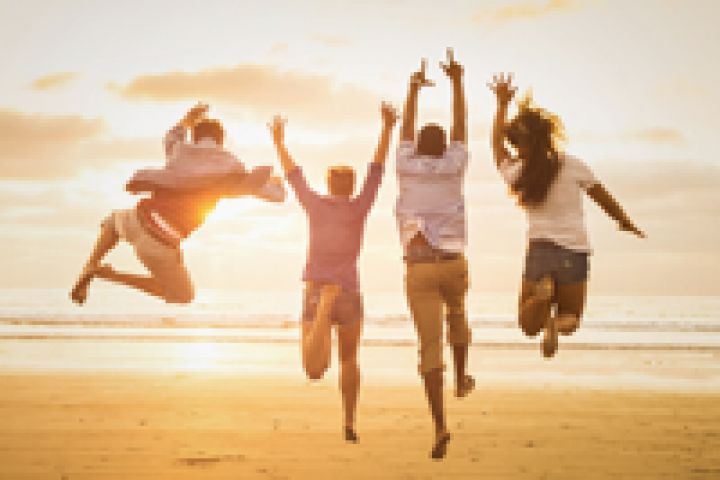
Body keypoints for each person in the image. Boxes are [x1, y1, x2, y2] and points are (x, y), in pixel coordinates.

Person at [488, 73, 645, 358]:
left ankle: (541, 299)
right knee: (571, 319)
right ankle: (555, 324)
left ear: (521, 144)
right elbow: (603, 198)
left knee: (527, 325)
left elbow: (496, 146)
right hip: (574, 251)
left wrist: (501, 105)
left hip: (540, 249)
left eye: (516, 144)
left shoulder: (517, 172)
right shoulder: (573, 165)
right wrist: (624, 221)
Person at [269, 101, 397, 444]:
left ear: (328, 185)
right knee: (350, 359)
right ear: (351, 187)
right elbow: (377, 170)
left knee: (313, 369)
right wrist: (387, 129)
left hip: (317, 290)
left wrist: (279, 142)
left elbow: (294, 176)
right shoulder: (359, 207)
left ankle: (325, 307)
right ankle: (349, 419)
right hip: (349, 292)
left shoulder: (315, 205)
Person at [70, 103, 285, 305]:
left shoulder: (179, 152)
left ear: (195, 138)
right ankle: (108, 275)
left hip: (136, 220)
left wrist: (188, 119)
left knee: (112, 220)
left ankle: (91, 264)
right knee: (182, 295)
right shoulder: (230, 169)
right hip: (159, 244)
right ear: (221, 141)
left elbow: (172, 135)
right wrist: (275, 182)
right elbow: (277, 196)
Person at [395, 49, 473, 460]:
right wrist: (457, 81)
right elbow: (461, 126)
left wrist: (412, 89)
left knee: (429, 345)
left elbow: (405, 128)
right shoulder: (454, 164)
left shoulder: (405, 165)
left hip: (419, 267)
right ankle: (462, 376)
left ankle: (440, 424)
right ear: (444, 147)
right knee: (457, 313)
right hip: (453, 263)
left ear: (418, 148)